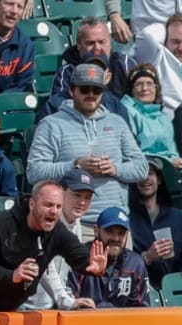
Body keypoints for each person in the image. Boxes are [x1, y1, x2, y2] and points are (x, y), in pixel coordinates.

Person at [27, 61, 149, 226]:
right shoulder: (51, 124)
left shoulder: (117, 122)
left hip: (115, 223)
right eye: (84, 89)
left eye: (96, 90)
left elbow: (142, 168)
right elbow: (34, 172)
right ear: (71, 91)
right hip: (72, 224)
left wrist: (115, 168)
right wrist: (75, 165)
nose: (91, 94)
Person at [0, 180, 105, 312]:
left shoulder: (56, 230)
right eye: (48, 205)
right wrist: (12, 275)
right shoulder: (0, 224)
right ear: (32, 204)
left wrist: (92, 266)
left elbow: (77, 254)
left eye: (58, 206)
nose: (54, 211)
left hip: (11, 309)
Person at [131, 13, 182, 157]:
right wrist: (165, 27)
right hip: (169, 128)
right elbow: (146, 35)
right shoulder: (158, 57)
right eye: (175, 41)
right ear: (165, 41)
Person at [25, 168, 99, 311]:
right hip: (28, 306)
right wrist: (65, 300)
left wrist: (67, 296)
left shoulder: (76, 222)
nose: (82, 202)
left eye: (87, 197)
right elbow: (46, 267)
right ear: (62, 193)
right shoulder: (45, 221)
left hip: (53, 304)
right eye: (77, 195)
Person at [129, 158, 182, 290]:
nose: (145, 178)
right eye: (141, 173)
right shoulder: (127, 218)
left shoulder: (178, 218)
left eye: (150, 173)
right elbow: (121, 262)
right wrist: (147, 258)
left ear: (159, 179)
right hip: (139, 288)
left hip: (174, 288)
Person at [44, 18, 129, 122]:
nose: (97, 48)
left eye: (102, 42)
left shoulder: (124, 64)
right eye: (90, 43)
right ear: (79, 45)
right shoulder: (67, 72)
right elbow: (59, 109)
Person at [69, 206, 149, 307]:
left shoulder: (135, 263)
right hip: (86, 320)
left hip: (122, 322)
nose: (116, 238)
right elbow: (68, 303)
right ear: (96, 231)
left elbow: (142, 311)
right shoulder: (81, 258)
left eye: (121, 233)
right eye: (110, 231)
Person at [122, 64, 182, 171]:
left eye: (149, 84)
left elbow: (172, 151)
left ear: (156, 88)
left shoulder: (164, 118)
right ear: (131, 89)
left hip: (167, 171)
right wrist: (167, 162)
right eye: (139, 84)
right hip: (140, 170)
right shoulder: (126, 111)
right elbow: (130, 152)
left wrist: (177, 161)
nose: (145, 88)